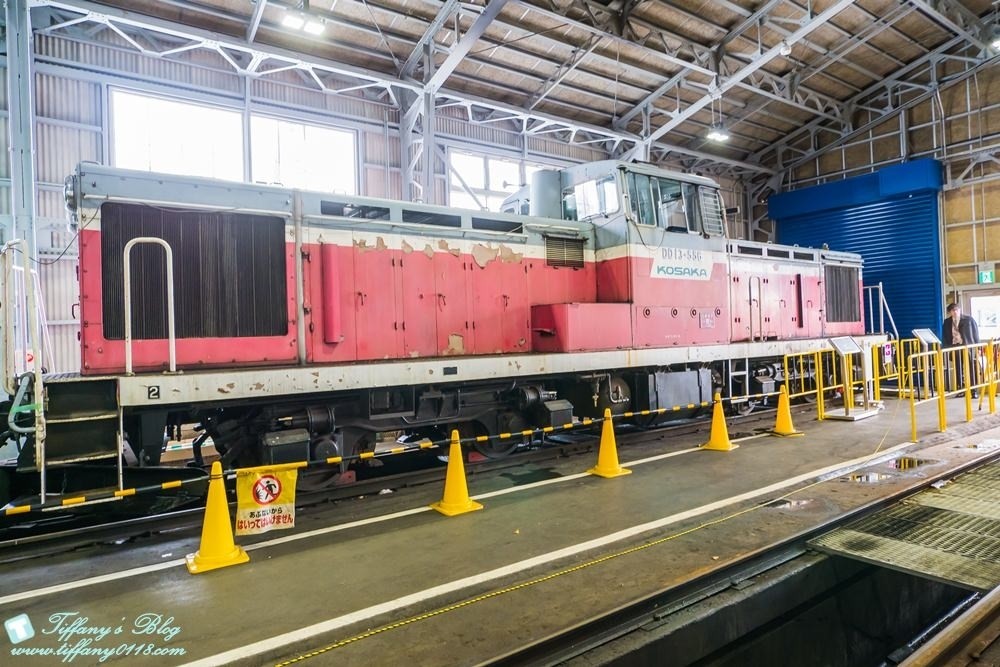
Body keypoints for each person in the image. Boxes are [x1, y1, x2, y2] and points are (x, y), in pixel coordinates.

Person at [942, 303, 980, 397]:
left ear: (959, 310)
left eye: (956, 310)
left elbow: (975, 333)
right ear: (949, 312)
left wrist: (978, 347)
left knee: (971, 368)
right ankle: (961, 389)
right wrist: (946, 347)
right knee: (958, 368)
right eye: (952, 310)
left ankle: (973, 390)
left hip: (968, 347)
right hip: (955, 347)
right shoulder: (947, 322)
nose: (955, 312)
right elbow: (945, 335)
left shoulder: (969, 319)